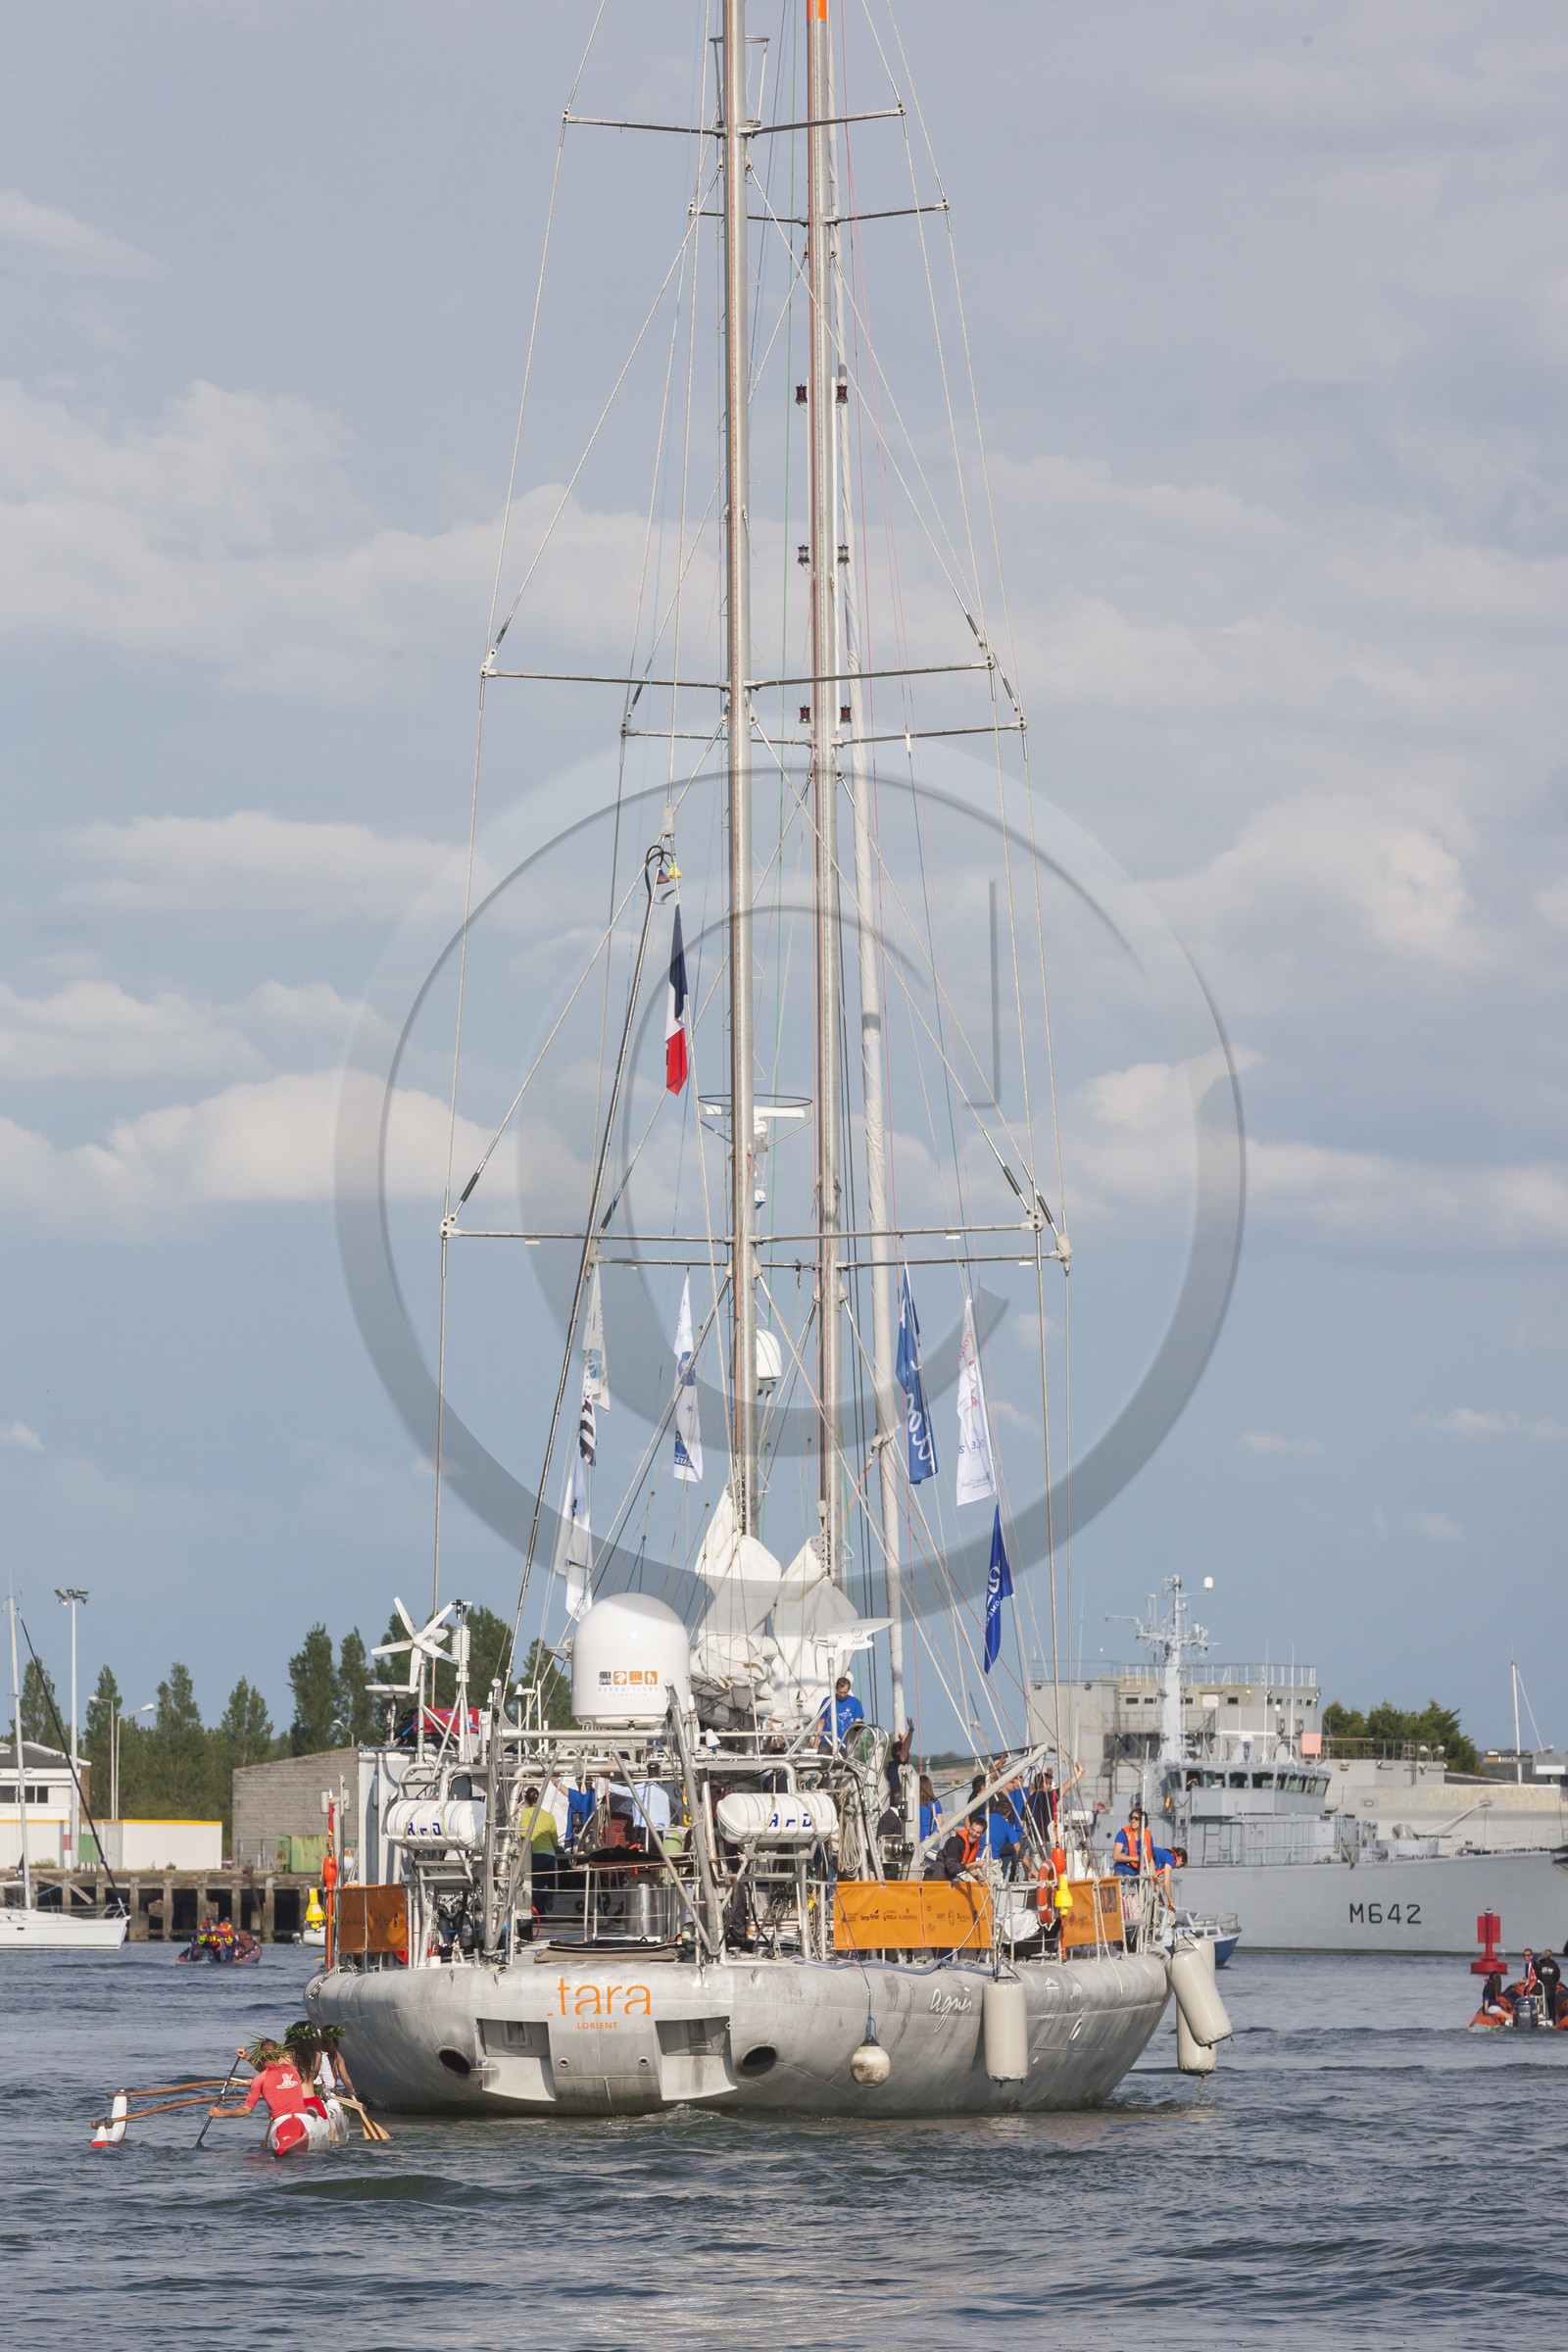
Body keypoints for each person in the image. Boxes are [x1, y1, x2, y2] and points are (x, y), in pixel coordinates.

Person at [815, 1675, 864, 1750]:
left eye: (845, 1692)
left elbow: (858, 1724)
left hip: (845, 1744)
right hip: (827, 1742)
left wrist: (856, 1741)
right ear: (836, 1689)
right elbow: (821, 1723)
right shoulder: (827, 1701)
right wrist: (815, 1745)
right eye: (840, 1692)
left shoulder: (855, 1703)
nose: (842, 1695)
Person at [1112, 1807, 1153, 1876]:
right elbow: (1115, 1856)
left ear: (1143, 1821)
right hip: (1123, 1871)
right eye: (1132, 1818)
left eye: (1136, 1818)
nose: (1133, 1820)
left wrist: (1154, 1876)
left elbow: (1150, 1857)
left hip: (1140, 1873)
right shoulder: (1123, 1834)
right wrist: (1136, 1859)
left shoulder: (1148, 1836)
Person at [918, 1775, 944, 1843]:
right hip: (933, 1836)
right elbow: (940, 1823)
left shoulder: (915, 1803)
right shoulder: (936, 1803)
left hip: (918, 1835)